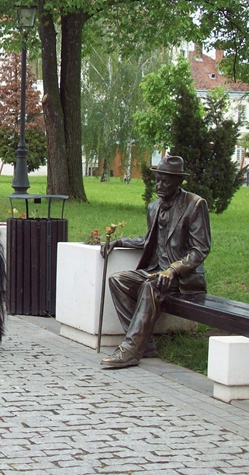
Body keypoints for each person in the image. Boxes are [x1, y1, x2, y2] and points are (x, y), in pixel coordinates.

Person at [100, 155, 210, 369]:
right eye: (157, 180)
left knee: (151, 285)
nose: (159, 185)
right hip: (155, 270)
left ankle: (131, 349)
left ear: (178, 182)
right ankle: (146, 343)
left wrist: (173, 270)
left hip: (183, 278)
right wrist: (119, 241)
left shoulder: (195, 205)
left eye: (165, 181)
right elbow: (148, 239)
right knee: (118, 280)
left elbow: (200, 249)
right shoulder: (154, 207)